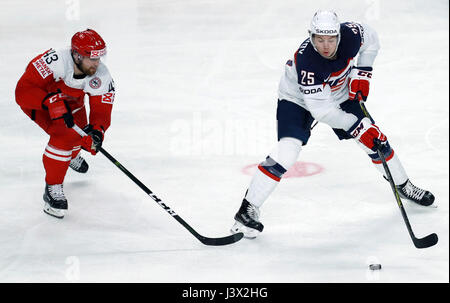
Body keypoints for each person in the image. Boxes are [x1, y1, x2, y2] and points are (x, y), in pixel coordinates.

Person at [231, 11, 435, 239]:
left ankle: (403, 186)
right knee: (287, 152)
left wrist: (364, 72)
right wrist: (358, 128)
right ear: (311, 36)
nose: (325, 45)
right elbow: (323, 111)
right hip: (296, 99)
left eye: (330, 39)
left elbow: (372, 39)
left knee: (378, 142)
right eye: (319, 39)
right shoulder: (308, 62)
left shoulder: (352, 34)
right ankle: (247, 209)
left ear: (339, 35)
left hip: (339, 92)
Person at [15, 29, 116, 219]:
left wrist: (97, 131)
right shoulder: (54, 61)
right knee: (64, 135)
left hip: (71, 105)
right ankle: (52, 189)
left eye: (98, 58)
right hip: (40, 102)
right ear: (76, 55)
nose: (97, 63)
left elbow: (101, 109)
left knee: (80, 137)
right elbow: (22, 91)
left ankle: (70, 156)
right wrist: (50, 101)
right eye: (91, 58)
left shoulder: (101, 75)